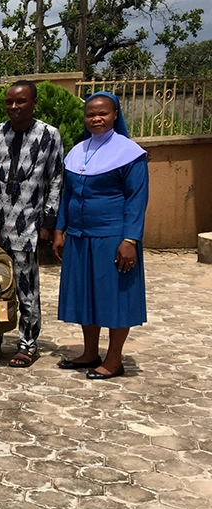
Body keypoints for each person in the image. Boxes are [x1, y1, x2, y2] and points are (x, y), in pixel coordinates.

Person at [53, 92, 147, 380]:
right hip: (80, 236)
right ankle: (90, 352)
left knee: (114, 298)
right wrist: (60, 229)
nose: (96, 118)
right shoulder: (78, 151)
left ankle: (114, 359)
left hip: (112, 237)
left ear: (115, 115)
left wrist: (130, 240)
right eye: (90, 114)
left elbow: (136, 199)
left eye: (102, 113)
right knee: (86, 295)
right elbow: (67, 194)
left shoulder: (130, 153)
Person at [0, 80, 64, 367]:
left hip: (28, 224)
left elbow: (55, 180)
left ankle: (28, 342)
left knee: (27, 285)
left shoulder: (49, 135)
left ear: (34, 103)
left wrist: (48, 222)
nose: (14, 107)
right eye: (10, 102)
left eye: (21, 102)